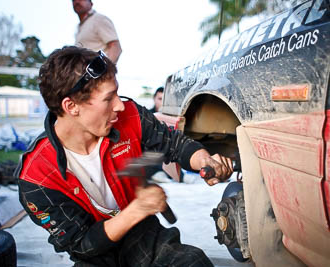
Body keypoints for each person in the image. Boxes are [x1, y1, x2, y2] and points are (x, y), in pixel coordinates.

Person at [15, 46, 233, 266]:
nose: (120, 105)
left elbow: (174, 144)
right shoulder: (36, 178)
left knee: (192, 262)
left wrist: (204, 160)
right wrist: (138, 208)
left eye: (117, 93)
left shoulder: (130, 114)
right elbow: (81, 244)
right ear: (71, 106)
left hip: (143, 235)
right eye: (108, 99)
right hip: (96, 255)